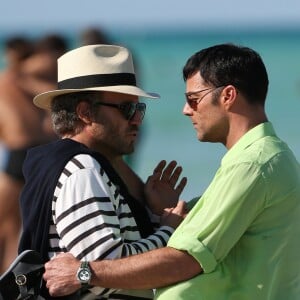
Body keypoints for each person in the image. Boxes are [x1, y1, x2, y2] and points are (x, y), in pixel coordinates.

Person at [44, 43, 300, 300]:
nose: (185, 110)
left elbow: (185, 259)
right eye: (128, 109)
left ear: (228, 96)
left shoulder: (252, 165)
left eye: (193, 99)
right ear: (85, 113)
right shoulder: (260, 160)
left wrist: (82, 273)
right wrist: (162, 218)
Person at [18, 44, 187, 299]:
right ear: (85, 113)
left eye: (140, 109)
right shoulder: (82, 170)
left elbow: (105, 261)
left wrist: (154, 216)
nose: (137, 120)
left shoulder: (72, 164)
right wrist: (170, 230)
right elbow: (98, 272)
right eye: (128, 109)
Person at [0, 36, 56, 274]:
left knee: (9, 220)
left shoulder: (10, 78)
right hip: (35, 151)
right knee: (15, 224)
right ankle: (11, 275)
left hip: (18, 152)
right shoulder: (34, 79)